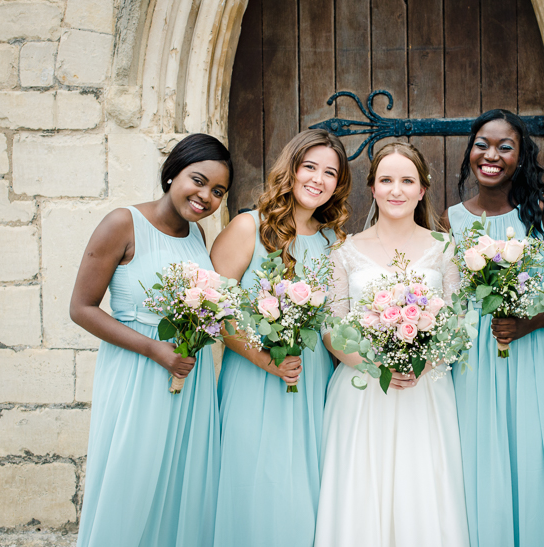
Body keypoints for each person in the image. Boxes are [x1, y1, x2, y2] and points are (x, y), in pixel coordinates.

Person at [70, 133, 232, 547]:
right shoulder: (122, 223)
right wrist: (154, 349)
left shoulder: (197, 237)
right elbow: (82, 308)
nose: (205, 197)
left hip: (186, 378)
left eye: (218, 192)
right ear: (173, 171)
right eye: (198, 180)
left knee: (180, 482)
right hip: (137, 371)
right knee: (132, 480)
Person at [314, 142, 469, 546]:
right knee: (362, 491)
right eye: (386, 180)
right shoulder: (344, 251)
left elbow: (458, 322)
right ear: (373, 188)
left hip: (426, 390)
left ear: (422, 190)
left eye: (406, 180)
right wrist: (374, 366)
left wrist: (424, 363)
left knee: (424, 491)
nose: (396, 189)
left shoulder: (444, 248)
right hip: (363, 389)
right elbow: (331, 326)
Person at [210, 129, 351, 546]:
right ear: (290, 170)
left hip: (312, 380)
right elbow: (213, 310)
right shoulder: (247, 227)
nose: (318, 179)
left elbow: (336, 320)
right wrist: (264, 359)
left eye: (330, 172)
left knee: (307, 487)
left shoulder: (334, 242)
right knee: (255, 483)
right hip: (255, 378)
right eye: (310, 167)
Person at [443, 109, 544, 546]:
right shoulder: (449, 220)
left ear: (522, 155)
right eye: (482, 144)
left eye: (505, 146)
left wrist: (533, 321)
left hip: (537, 353)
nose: (491, 155)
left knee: (537, 460)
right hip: (475, 362)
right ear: (469, 151)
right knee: (480, 464)